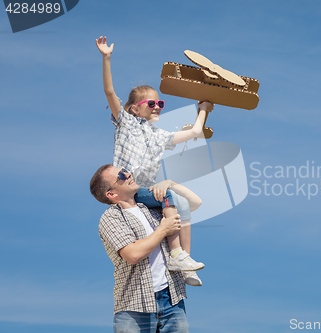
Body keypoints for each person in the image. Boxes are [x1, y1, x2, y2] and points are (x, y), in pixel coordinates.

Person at [96, 35, 214, 286]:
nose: (158, 106)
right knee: (169, 196)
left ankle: (185, 258)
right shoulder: (125, 124)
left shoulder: (161, 136)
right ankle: (176, 253)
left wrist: (203, 108)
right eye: (151, 103)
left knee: (179, 201)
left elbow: (194, 133)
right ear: (134, 108)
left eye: (160, 103)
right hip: (128, 189)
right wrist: (106, 58)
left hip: (144, 190)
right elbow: (109, 91)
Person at [90, 164, 200, 333]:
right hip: (134, 306)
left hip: (172, 300)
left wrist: (170, 184)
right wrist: (164, 229)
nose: (128, 174)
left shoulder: (154, 208)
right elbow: (133, 254)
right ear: (111, 194)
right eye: (121, 175)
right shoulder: (111, 218)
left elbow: (193, 203)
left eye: (125, 170)